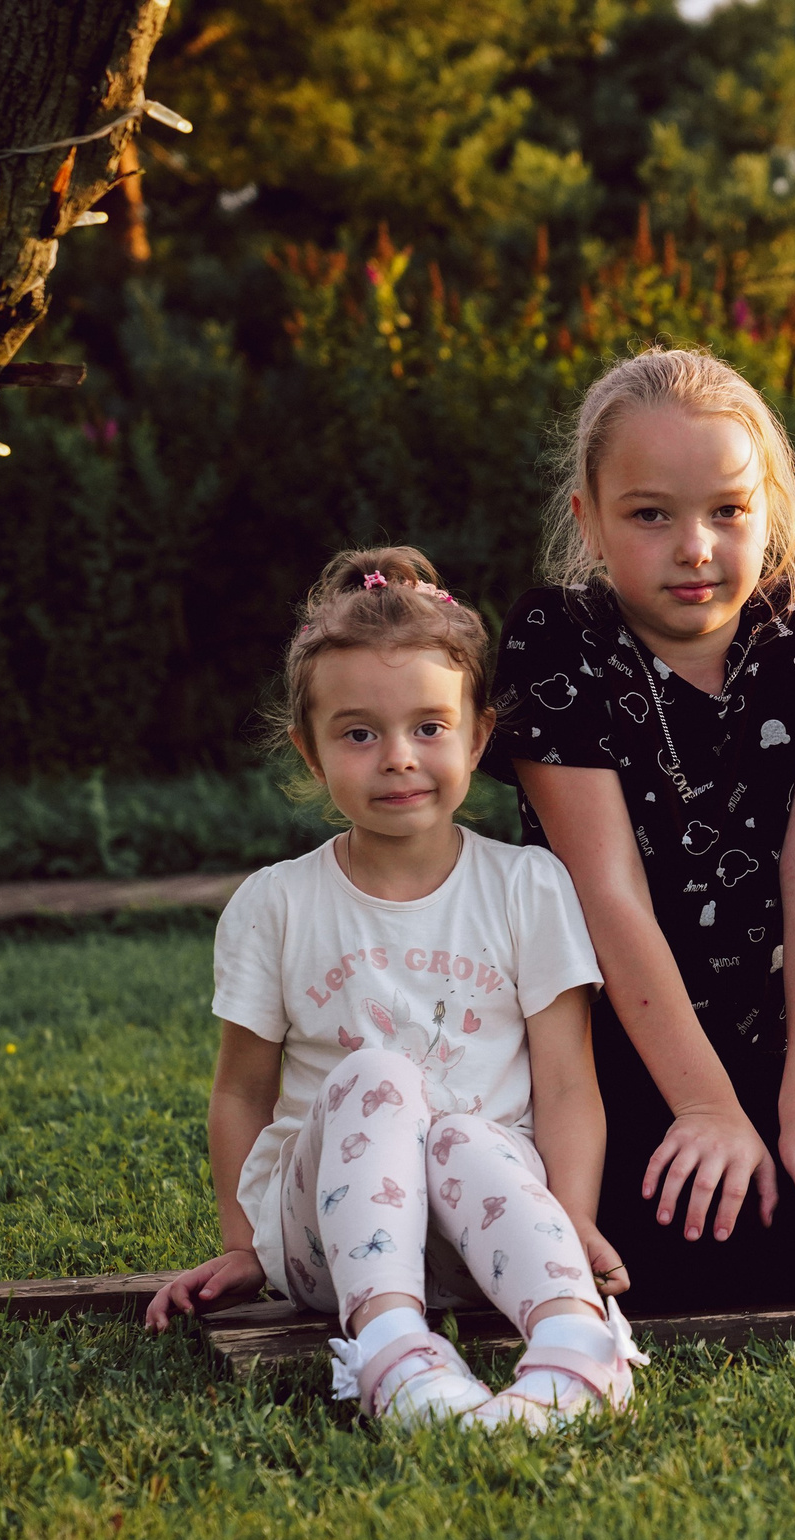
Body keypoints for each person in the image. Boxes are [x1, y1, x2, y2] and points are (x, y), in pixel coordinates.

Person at [146, 547, 646, 1430]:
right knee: (379, 1079)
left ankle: (576, 1346)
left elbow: (568, 1082)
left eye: (428, 727)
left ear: (479, 736)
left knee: (463, 1133)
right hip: (326, 1254)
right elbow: (240, 1089)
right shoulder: (277, 905)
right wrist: (241, 1244)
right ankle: (391, 1353)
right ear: (309, 748)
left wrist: (569, 1222)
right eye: (358, 733)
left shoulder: (528, 887)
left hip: (485, 1233)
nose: (398, 759)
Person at [487, 347, 795, 1313]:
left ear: (769, 505)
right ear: (590, 523)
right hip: (602, 1052)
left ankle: (794, 1131)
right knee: (651, 1240)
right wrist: (705, 1108)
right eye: (651, 514)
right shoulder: (557, 641)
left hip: (766, 1038)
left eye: (728, 509)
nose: (696, 546)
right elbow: (605, 888)